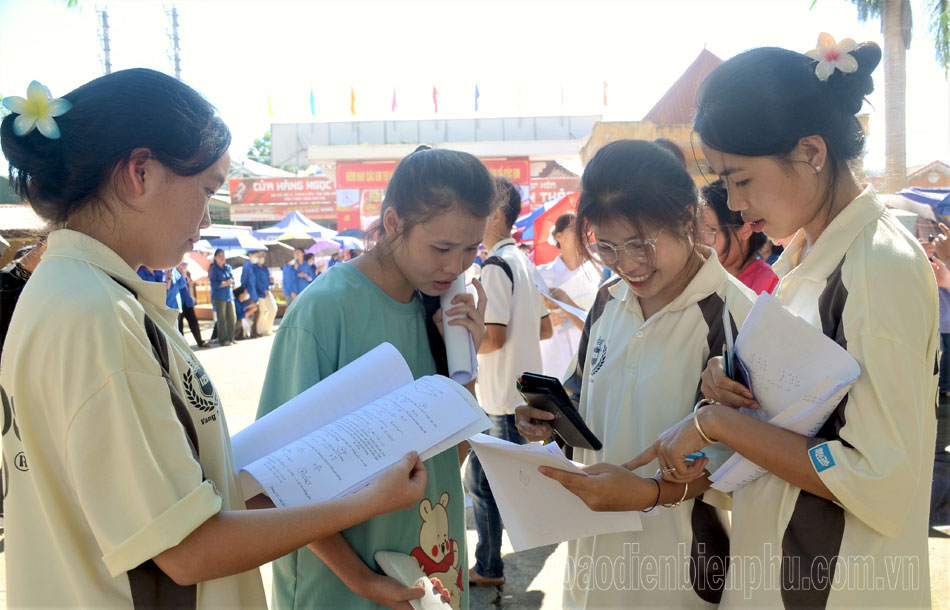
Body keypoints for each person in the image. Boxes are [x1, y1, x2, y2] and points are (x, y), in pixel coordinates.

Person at [0, 68, 430, 608]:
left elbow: (160, 506)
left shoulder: (78, 293)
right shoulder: (96, 314)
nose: (206, 217)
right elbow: (187, 551)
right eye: (206, 189)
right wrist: (365, 502)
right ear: (139, 172)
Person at [581, 40, 935, 607]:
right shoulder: (803, 262)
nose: (735, 205)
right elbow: (803, 426)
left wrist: (720, 421)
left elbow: (877, 478)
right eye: (724, 183)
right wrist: (739, 393)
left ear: (812, 151)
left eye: (741, 180)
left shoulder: (877, 268)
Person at [513, 140, 755, 608]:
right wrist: (549, 419)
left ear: (688, 217)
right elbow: (584, 392)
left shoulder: (735, 317)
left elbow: (745, 464)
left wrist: (649, 493)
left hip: (679, 572)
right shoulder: (607, 300)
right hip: (592, 555)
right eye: (607, 247)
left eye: (641, 244)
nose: (628, 265)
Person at [256, 146, 496, 610]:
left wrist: (465, 359)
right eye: (442, 248)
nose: (456, 266)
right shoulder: (326, 310)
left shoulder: (438, 306)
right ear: (392, 224)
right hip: (343, 587)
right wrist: (361, 580)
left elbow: (450, 455)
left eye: (471, 250)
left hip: (429, 569)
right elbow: (276, 486)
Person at [467, 177, 553, 588]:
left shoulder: (495, 266)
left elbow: (494, 337)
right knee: (490, 484)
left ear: (497, 213)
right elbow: (544, 329)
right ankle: (490, 564)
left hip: (501, 398)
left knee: (484, 487)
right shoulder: (522, 261)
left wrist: (464, 341)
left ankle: (488, 566)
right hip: (516, 393)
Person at [536, 212, 602, 380]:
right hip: (556, 353)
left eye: (584, 229)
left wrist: (567, 303)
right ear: (558, 236)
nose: (581, 233)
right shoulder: (543, 275)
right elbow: (530, 317)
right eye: (574, 228)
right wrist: (545, 318)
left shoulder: (597, 269)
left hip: (589, 350)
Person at [701, 179, 778, 294]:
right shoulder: (699, 279)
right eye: (693, 229)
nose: (699, 241)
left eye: (710, 230)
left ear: (746, 230)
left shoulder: (770, 285)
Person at [209, 248, 237, 346]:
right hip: (219, 297)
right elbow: (214, 284)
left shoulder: (228, 267)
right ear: (215, 258)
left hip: (229, 295)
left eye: (223, 256)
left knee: (232, 317)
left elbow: (232, 279)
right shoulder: (214, 270)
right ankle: (223, 339)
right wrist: (225, 283)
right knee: (222, 319)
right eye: (220, 256)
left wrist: (231, 282)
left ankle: (231, 337)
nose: (222, 258)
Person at [176, 259, 205, 348]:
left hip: (187, 301)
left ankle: (200, 341)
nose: (184, 266)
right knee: (180, 325)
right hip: (179, 302)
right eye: (182, 264)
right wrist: (183, 275)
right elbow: (179, 285)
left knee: (193, 322)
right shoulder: (174, 273)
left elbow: (190, 285)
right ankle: (182, 345)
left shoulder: (187, 273)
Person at [253, 252, 277, 335]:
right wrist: (263, 289)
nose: (261, 257)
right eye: (259, 256)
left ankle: (267, 328)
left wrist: (271, 281)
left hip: (267, 291)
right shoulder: (254, 268)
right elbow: (256, 281)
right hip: (259, 293)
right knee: (262, 311)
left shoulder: (265, 268)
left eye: (263, 256)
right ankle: (260, 330)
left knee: (273, 309)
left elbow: (268, 281)